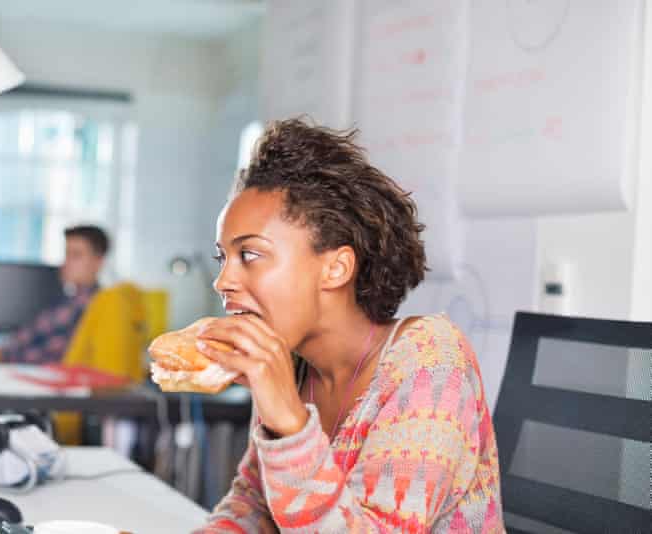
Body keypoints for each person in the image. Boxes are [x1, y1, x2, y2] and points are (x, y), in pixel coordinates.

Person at [193, 119, 503, 532]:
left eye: (249, 255)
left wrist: (290, 423)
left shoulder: (430, 362)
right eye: (223, 258)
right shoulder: (292, 364)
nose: (223, 281)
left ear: (336, 268)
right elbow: (254, 507)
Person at [0, 225, 110, 368]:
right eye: (66, 254)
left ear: (98, 262)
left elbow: (53, 357)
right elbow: (28, 339)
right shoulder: (68, 301)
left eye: (76, 255)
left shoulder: (90, 307)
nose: (66, 262)